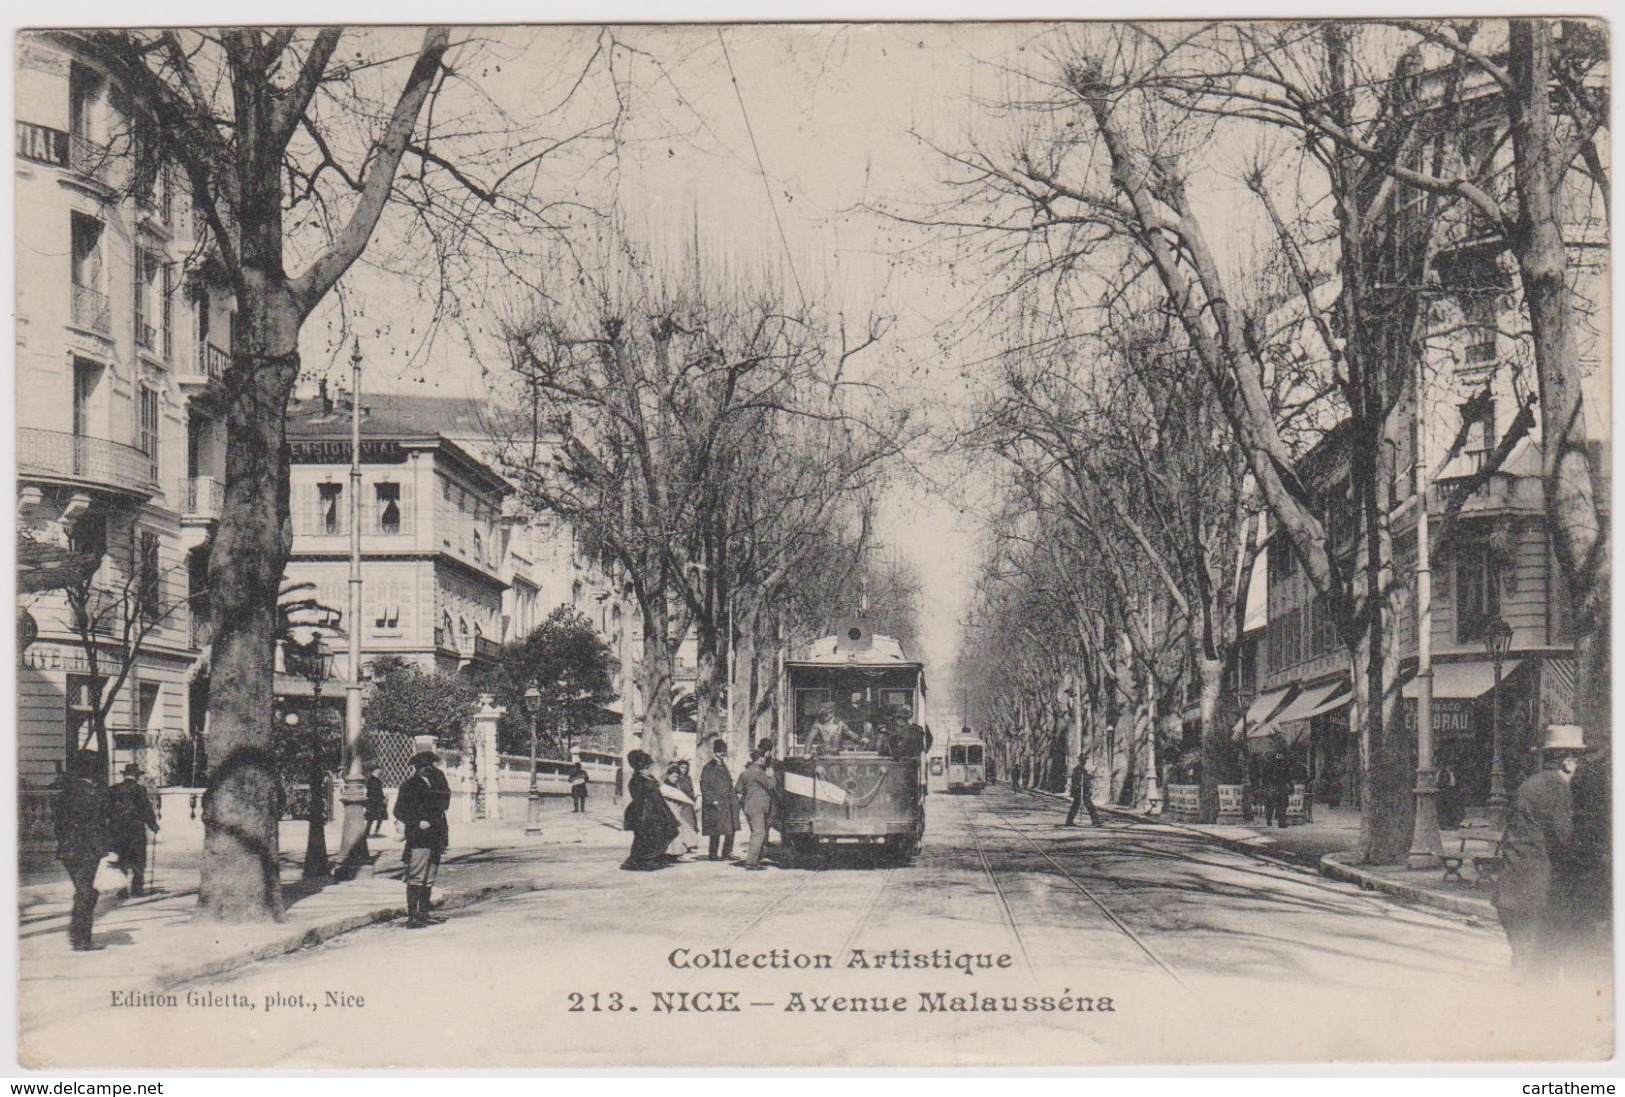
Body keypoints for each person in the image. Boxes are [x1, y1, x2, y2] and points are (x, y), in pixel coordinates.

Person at [1494, 724, 1584, 974]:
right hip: (1534, 894)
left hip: (1512, 891)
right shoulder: (1557, 787)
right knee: (1537, 971)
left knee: (1523, 963)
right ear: (1567, 762)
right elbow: (1565, 839)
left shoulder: (1532, 784)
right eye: (1578, 760)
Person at [55, 751, 112, 951]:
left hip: (68, 850)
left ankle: (77, 934)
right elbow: (98, 825)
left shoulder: (66, 792)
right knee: (86, 892)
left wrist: (64, 843)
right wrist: (105, 848)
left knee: (84, 890)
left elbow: (59, 824)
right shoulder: (94, 794)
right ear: (94, 771)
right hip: (87, 850)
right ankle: (80, 939)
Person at [393, 751, 451, 928]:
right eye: (424, 766)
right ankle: (413, 917)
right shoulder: (409, 786)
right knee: (417, 876)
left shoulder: (437, 782)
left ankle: (424, 914)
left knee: (430, 877)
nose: (428, 769)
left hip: (436, 835)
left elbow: (445, 803)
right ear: (417, 768)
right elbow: (399, 811)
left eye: (431, 765)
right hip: (419, 837)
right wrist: (417, 821)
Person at [106, 764, 159, 897]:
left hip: (117, 830)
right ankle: (137, 889)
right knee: (138, 860)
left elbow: (106, 810)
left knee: (121, 859)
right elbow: (146, 809)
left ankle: (122, 890)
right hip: (136, 830)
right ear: (137, 776)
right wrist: (153, 825)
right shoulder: (140, 790)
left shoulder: (113, 789)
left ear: (124, 775)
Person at [622, 750, 679, 871]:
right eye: (647, 768)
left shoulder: (649, 779)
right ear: (640, 768)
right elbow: (642, 799)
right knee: (646, 837)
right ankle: (644, 860)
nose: (649, 770)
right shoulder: (637, 780)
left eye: (649, 767)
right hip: (644, 813)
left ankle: (651, 857)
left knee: (665, 833)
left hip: (656, 811)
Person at [735, 748, 777, 870]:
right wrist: (771, 776)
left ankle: (754, 859)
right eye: (764, 758)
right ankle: (751, 863)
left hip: (748, 807)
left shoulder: (745, 772)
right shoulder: (758, 772)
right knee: (759, 833)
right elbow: (771, 785)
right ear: (760, 758)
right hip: (758, 807)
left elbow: (737, 789)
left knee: (755, 833)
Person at [700, 739, 740, 861]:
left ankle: (727, 852)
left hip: (728, 802)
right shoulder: (708, 767)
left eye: (724, 752)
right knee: (715, 830)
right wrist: (711, 800)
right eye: (720, 752)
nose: (723, 754)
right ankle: (713, 854)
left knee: (731, 828)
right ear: (715, 753)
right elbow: (704, 786)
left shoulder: (724, 765)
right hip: (716, 803)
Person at [662, 761, 699, 858]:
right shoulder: (665, 786)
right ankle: (669, 853)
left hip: (677, 810)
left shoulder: (677, 784)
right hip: (670, 810)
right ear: (668, 775)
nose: (675, 779)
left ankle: (676, 852)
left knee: (679, 831)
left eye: (677, 777)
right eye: (674, 776)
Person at [1065, 755, 1101, 827]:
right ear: (1080, 761)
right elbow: (1082, 779)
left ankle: (1069, 821)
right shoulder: (1078, 769)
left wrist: (1091, 776)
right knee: (1089, 806)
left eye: (1085, 760)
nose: (1084, 762)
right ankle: (1095, 821)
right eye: (1083, 760)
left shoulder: (1081, 769)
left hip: (1081, 790)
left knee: (1076, 806)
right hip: (1080, 790)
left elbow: (1085, 779)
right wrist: (1091, 774)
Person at [1436, 753, 1463, 830]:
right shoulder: (1444, 773)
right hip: (1445, 793)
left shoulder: (1452, 773)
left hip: (1451, 792)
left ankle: (1453, 823)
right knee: (1445, 809)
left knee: (1452, 809)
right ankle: (1445, 824)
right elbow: (1442, 783)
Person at [364, 766, 389, 836]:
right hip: (374, 801)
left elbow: (379, 791)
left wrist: (383, 797)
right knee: (371, 818)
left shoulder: (377, 779)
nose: (379, 772)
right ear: (374, 770)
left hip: (379, 801)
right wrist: (375, 800)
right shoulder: (371, 780)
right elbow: (371, 792)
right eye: (378, 770)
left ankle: (376, 831)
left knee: (380, 817)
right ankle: (367, 832)